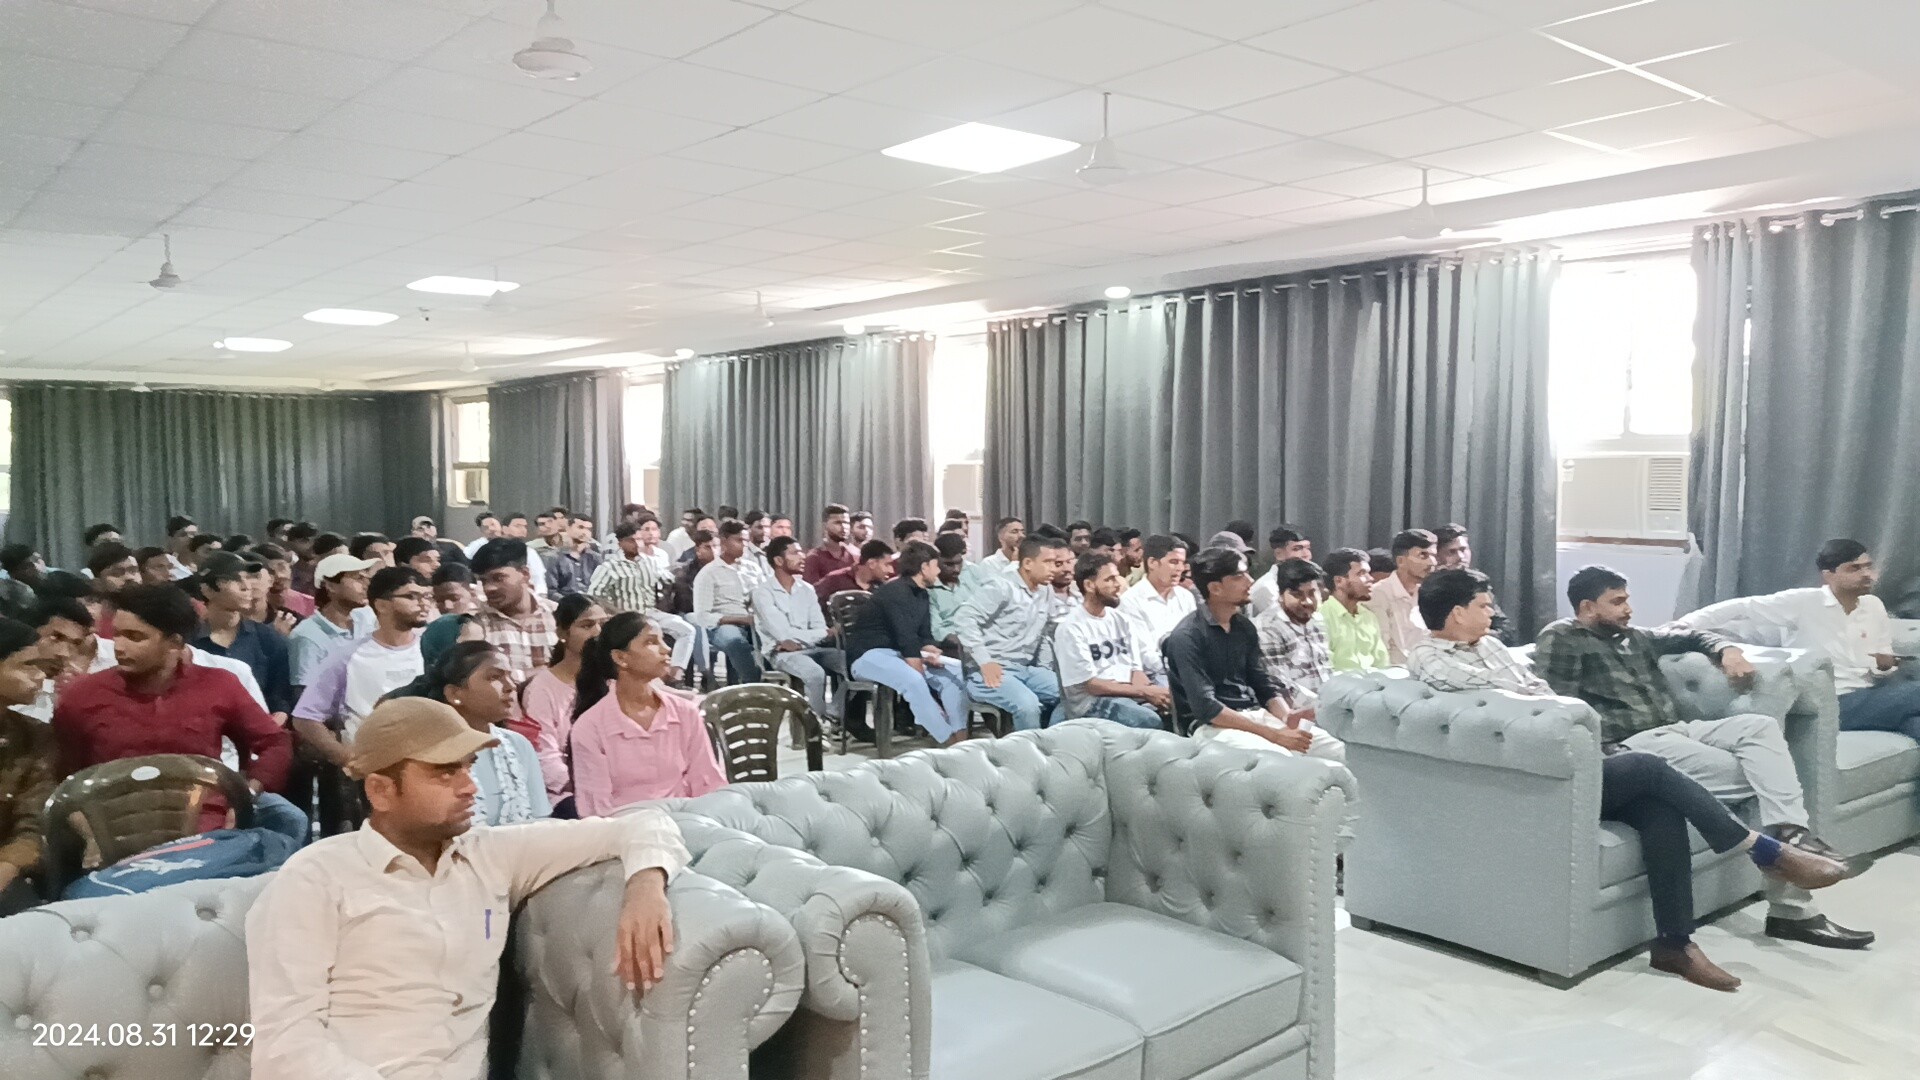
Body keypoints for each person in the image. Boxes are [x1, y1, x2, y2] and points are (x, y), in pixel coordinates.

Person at [1408, 568, 1851, 991]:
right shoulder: (1431, 659)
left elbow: (1537, 692)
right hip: (1551, 765)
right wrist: (1579, 723)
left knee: (1661, 809)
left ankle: (1675, 945)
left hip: (1588, 752)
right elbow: (1514, 703)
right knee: (1647, 766)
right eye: (1484, 606)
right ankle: (1766, 849)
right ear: (1456, 613)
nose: (1493, 615)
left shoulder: (1490, 648)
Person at [246, 696, 686, 1080]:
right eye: (444, 772)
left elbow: (644, 823)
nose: (469, 787)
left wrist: (646, 884)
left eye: (468, 767)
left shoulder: (490, 854)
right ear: (381, 790)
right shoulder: (316, 877)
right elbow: (285, 1045)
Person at [1535, 565, 1873, 949]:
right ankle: (1791, 908)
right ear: (1587, 607)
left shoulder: (1636, 638)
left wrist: (1726, 650)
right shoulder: (1565, 636)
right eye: (1617, 601)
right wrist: (1599, 747)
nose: (1629, 608)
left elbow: (1691, 632)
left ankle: (1789, 833)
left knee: (1760, 727)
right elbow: (1556, 703)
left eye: (1627, 598)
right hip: (1633, 743)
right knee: (1764, 778)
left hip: (1678, 729)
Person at [52, 584, 294, 832]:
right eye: (117, 635)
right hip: (117, 832)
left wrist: (247, 795)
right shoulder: (83, 696)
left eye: (136, 637)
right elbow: (64, 777)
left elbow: (274, 743)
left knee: (287, 825)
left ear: (174, 643)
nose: (119, 647)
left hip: (207, 828)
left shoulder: (217, 685)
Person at [1677, 539, 1918, 744]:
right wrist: (1683, 625)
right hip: (1830, 702)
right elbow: (1742, 607)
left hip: (1871, 694)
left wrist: (1885, 665)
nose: (1866, 574)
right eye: (1854, 568)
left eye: (1868, 567)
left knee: (1916, 725)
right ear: (1829, 575)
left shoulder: (1874, 606)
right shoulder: (1804, 603)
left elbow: (1882, 660)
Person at [1161, 548, 1345, 767]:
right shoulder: (1187, 637)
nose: (1250, 581)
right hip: (1212, 727)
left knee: (1339, 751)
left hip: (1254, 716)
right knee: (1284, 760)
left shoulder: (1243, 627)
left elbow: (1261, 682)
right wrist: (1274, 735)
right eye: (1239, 576)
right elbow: (1206, 708)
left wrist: (1286, 717)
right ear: (1215, 588)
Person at [570, 613, 727, 814]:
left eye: (663, 640)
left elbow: (708, 782)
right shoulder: (590, 727)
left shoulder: (685, 713)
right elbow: (596, 810)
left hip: (687, 823)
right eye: (651, 642)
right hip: (626, 833)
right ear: (620, 658)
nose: (667, 648)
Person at [392, 641, 549, 827]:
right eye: (494, 677)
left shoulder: (518, 744)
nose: (510, 686)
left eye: (510, 676)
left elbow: (540, 822)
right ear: (454, 694)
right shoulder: (429, 751)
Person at [292, 567, 433, 754]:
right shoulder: (348, 656)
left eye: (427, 596)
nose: (423, 604)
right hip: (371, 768)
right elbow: (305, 718)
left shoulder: (433, 649)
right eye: (412, 597)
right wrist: (344, 758)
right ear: (382, 605)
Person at [846, 541, 968, 746]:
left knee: (955, 674)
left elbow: (924, 635)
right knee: (913, 680)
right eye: (936, 565)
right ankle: (947, 741)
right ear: (924, 567)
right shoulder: (895, 592)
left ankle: (961, 738)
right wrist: (921, 668)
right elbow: (906, 638)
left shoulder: (922, 594)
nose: (938, 571)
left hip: (899, 654)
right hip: (868, 656)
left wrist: (931, 651)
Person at [954, 534, 1068, 731]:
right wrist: (984, 661)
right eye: (1048, 562)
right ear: (1028, 563)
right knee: (1028, 705)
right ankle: (1027, 757)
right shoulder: (1001, 586)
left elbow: (1046, 633)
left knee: (1072, 695)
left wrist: (1044, 668)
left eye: (1055, 563)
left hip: (1025, 668)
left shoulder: (1045, 590)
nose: (1054, 568)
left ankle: (1050, 744)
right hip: (990, 670)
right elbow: (964, 618)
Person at [1054, 552, 1167, 729]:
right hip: (1091, 702)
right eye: (1110, 580)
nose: (1118, 585)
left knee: (1176, 706)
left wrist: (1156, 693)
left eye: (1118, 578)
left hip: (1127, 693)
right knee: (1148, 720)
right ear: (1089, 585)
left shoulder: (1121, 619)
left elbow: (1135, 670)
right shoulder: (1071, 628)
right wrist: (1144, 691)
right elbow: (1092, 686)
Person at [521, 594, 605, 808]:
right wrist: (585, 787)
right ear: (562, 633)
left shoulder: (613, 681)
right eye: (587, 625)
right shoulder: (543, 688)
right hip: (567, 793)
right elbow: (545, 755)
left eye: (603, 624)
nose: (597, 633)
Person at [752, 536, 845, 722]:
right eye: (795, 553)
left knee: (853, 663)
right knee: (814, 673)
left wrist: (804, 640)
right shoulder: (762, 593)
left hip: (810, 648)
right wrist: (821, 634)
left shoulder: (807, 589)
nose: (802, 557)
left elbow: (818, 626)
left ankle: (833, 712)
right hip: (779, 654)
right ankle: (816, 724)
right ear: (778, 560)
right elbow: (782, 634)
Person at [0, 617, 57, 916]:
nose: (40, 677)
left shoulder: (33, 735)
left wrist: (6, 867)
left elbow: (33, 823)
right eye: (27, 666)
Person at [192, 552, 295, 717]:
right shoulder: (187, 641)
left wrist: (264, 731)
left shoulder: (268, 639)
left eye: (248, 578)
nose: (247, 587)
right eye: (235, 580)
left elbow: (280, 700)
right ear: (208, 589)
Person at [469, 539, 560, 684]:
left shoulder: (558, 615)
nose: (489, 588)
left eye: (498, 578)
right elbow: (475, 681)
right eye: (483, 581)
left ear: (525, 574)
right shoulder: (477, 625)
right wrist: (541, 674)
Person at [287, 553, 381, 691]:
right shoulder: (307, 636)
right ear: (330, 586)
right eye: (358, 578)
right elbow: (305, 693)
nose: (366, 585)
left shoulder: (367, 618)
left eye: (367, 578)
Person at [1253, 558, 1335, 710]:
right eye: (1297, 595)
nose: (1307, 602)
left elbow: (1326, 671)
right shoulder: (1268, 628)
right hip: (1295, 714)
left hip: (1327, 707)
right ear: (1281, 595)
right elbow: (1279, 687)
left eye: (1312, 593)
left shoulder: (1317, 620)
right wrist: (1326, 708)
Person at [692, 520, 762, 684]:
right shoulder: (708, 574)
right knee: (734, 641)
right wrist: (740, 619)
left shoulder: (753, 569)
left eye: (746, 541)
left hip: (755, 621)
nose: (744, 546)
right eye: (739, 541)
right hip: (722, 625)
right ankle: (753, 684)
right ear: (723, 541)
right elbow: (703, 617)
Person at [1118, 534, 1195, 673]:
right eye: (1173, 562)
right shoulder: (1131, 601)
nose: (1180, 568)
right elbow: (1144, 655)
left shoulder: (1186, 597)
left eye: (1182, 563)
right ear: (1152, 563)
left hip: (1188, 669)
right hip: (1154, 674)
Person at [1365, 528, 1435, 665]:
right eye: (1423, 555)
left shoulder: (1428, 594)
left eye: (1434, 556)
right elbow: (1381, 650)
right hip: (1394, 675)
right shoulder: (1378, 595)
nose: (1432, 563)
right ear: (1401, 561)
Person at [1319, 547, 1390, 673]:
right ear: (1339, 581)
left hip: (1373, 686)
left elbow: (1382, 663)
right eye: (1362, 573)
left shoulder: (1369, 616)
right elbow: (1324, 671)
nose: (1371, 579)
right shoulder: (1321, 618)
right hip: (1340, 689)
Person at [815, 540, 894, 617]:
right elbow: (812, 602)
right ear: (872, 563)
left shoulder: (884, 588)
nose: (891, 570)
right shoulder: (834, 579)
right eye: (887, 564)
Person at [1248, 526, 1313, 617]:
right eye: (1297, 549)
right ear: (1279, 554)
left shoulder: (1311, 582)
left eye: (1308, 548)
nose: (1306, 555)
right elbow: (1285, 624)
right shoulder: (1267, 587)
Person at [928, 533, 975, 644]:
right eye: (949, 564)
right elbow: (937, 630)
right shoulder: (929, 588)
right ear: (936, 561)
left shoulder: (974, 574)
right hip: (951, 645)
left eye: (959, 563)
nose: (956, 569)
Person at [254, 542, 317, 622]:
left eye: (282, 567)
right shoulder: (248, 606)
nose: (279, 575)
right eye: (270, 571)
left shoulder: (307, 602)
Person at [548, 513, 604, 597]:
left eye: (588, 529)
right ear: (568, 528)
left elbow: (601, 587)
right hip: (565, 605)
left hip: (591, 603)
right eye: (580, 527)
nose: (585, 532)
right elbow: (551, 591)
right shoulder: (554, 557)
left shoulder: (596, 558)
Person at [803, 503, 858, 585]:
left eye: (846, 523)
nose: (844, 527)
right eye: (838, 523)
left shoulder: (855, 555)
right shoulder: (813, 558)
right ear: (825, 526)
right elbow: (811, 591)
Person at [164, 514, 200, 580]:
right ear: (171, 539)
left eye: (194, 534)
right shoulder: (166, 566)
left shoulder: (204, 564)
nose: (190, 538)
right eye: (183, 535)